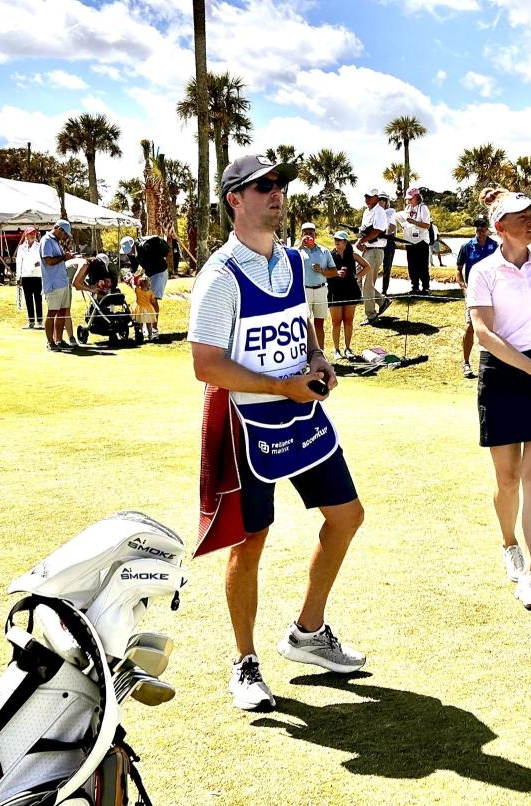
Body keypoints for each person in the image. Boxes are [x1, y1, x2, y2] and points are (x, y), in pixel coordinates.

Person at [188, 154, 366, 713]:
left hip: (301, 412)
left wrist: (318, 359)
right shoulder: (220, 277)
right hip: (247, 424)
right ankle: (245, 662)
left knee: (347, 516)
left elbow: (300, 332)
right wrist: (278, 385)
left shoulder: (291, 260)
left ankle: (307, 633)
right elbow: (206, 364)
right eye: (262, 186)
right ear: (233, 200)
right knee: (251, 540)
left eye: (280, 185)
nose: (277, 194)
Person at [466, 187, 531, 613]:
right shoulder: (483, 272)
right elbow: (485, 334)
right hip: (502, 373)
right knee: (507, 478)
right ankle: (508, 544)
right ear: (499, 227)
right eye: (521, 215)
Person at [455, 216, 499, 379]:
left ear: (488, 227)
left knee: (495, 327)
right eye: (477, 226)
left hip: (493, 292)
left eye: (483, 226)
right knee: (470, 326)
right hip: (473, 293)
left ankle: (495, 363)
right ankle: (466, 363)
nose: (480, 229)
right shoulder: (467, 247)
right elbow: (459, 270)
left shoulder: (494, 246)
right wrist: (464, 288)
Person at [329, 230, 368, 360]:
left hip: (350, 290)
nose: (336, 242)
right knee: (336, 322)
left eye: (339, 240)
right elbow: (325, 271)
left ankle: (347, 348)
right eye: (335, 239)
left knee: (348, 321)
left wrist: (356, 276)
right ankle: (336, 350)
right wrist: (334, 273)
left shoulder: (352, 255)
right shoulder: (330, 255)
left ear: (345, 242)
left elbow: (367, 266)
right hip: (335, 290)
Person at [354, 188, 391, 323]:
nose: (367, 199)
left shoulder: (380, 211)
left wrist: (362, 241)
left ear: (376, 197)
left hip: (375, 250)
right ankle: (382, 301)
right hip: (367, 250)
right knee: (359, 280)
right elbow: (365, 231)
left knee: (366, 284)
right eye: (366, 196)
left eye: (370, 197)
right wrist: (361, 241)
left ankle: (371, 315)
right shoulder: (366, 212)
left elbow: (377, 231)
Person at [297, 222, 335, 351]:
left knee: (319, 323)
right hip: (304, 291)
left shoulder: (324, 251)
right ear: (301, 234)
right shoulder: (297, 251)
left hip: (321, 289)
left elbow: (334, 271)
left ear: (315, 234)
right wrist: (300, 246)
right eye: (305, 232)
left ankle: (320, 352)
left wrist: (322, 271)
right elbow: (286, 261)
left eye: (311, 232)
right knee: (303, 324)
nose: (308, 235)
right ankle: (304, 354)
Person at [39, 220, 75, 351]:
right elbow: (48, 260)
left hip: (62, 282)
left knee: (62, 312)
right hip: (53, 284)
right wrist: (64, 257)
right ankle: (50, 342)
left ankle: (59, 340)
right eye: (65, 234)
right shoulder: (46, 240)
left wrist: (65, 257)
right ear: (58, 229)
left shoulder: (55, 241)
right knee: (52, 312)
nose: (65, 237)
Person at [402, 187, 431, 294]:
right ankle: (414, 287)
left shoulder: (423, 208)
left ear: (417, 197)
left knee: (422, 265)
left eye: (411, 198)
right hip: (409, 240)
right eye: (408, 198)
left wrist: (414, 222)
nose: (409, 200)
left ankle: (425, 287)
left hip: (421, 240)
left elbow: (427, 225)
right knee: (412, 265)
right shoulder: (407, 208)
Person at [15, 226, 43, 328]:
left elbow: (43, 259)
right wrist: (18, 277)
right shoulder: (21, 248)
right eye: (30, 233)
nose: (32, 235)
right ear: (26, 235)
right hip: (26, 276)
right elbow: (19, 263)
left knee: (38, 298)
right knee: (28, 299)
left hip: (37, 275)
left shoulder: (39, 246)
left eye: (34, 233)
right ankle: (31, 321)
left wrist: (39, 263)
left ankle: (40, 321)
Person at [378, 192, 397, 296]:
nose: (381, 202)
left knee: (387, 266)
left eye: (383, 200)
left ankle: (384, 290)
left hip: (388, 241)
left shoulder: (391, 211)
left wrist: (384, 234)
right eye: (379, 200)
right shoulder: (374, 212)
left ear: (386, 202)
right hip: (377, 241)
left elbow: (391, 226)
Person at [132, 273, 158, 340]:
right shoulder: (150, 292)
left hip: (139, 309)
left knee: (140, 324)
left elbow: (133, 285)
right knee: (149, 324)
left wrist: (132, 280)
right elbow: (153, 301)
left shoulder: (138, 290)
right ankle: (150, 336)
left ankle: (140, 337)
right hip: (148, 309)